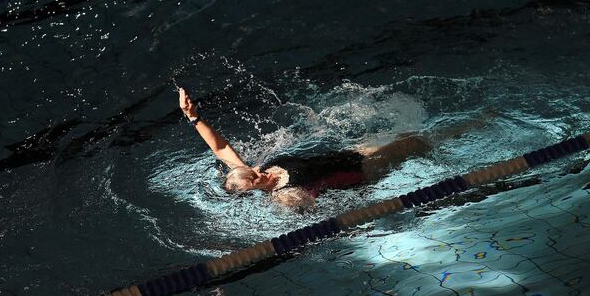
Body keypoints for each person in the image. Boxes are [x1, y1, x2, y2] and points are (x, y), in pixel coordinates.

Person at [178, 87, 455, 211]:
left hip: (349, 155)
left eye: (251, 167)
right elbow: (319, 210)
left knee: (409, 135)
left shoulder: (255, 171)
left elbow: (221, 147)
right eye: (255, 174)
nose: (258, 169)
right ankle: (472, 129)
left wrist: (193, 117)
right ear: (253, 184)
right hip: (360, 173)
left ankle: (460, 130)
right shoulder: (285, 197)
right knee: (416, 144)